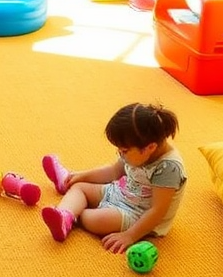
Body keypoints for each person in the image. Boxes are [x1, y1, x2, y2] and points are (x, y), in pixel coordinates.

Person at [40, 101, 185, 253]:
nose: (120, 153)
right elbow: (113, 172)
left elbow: (157, 211)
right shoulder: (137, 148)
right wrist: (82, 176)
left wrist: (130, 236)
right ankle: (65, 215)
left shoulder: (169, 168)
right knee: (79, 187)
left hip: (137, 215)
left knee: (95, 220)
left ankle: (72, 212)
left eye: (123, 150)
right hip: (119, 192)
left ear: (150, 147)